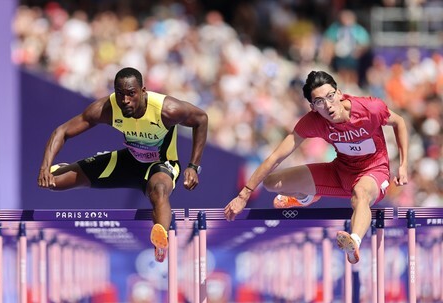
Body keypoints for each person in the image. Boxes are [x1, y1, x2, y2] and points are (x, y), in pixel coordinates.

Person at [224, 70, 408, 264]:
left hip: (374, 171)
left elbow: (399, 122)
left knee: (360, 194)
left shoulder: (371, 108)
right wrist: (244, 194)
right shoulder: (313, 122)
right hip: (340, 171)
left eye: (330, 96)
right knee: (271, 183)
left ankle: (353, 242)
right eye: (320, 101)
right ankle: (306, 197)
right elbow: (276, 157)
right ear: (313, 107)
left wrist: (403, 165)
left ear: (339, 93)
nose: (328, 105)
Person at [38, 67, 208, 262]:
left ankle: (161, 243)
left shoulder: (167, 110)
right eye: (120, 94)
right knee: (54, 183)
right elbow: (62, 131)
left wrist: (194, 166)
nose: (125, 100)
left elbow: (201, 119)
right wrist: (45, 167)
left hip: (161, 164)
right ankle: (63, 168)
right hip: (128, 161)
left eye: (131, 94)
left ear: (143, 91)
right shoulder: (107, 108)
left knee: (159, 189)